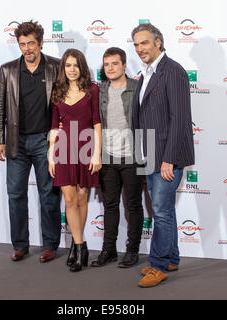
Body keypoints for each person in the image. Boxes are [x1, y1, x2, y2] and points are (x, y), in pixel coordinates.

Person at [131, 23, 195, 287]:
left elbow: (180, 119)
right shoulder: (146, 73)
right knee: (165, 210)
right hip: (149, 153)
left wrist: (169, 158)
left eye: (144, 43)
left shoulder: (174, 71)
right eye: (136, 45)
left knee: (161, 211)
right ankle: (171, 258)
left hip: (168, 157)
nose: (140, 49)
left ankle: (158, 266)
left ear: (158, 41)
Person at [0, 20, 61, 263]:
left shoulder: (56, 66)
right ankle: (20, 245)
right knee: (15, 195)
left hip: (45, 141)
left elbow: (64, 102)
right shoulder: (8, 70)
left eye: (31, 43)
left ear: (41, 43)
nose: (27, 49)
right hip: (16, 143)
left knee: (49, 195)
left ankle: (50, 244)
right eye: (22, 44)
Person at [49, 48, 102, 272]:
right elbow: (53, 126)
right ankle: (80, 247)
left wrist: (97, 153)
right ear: (63, 68)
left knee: (81, 198)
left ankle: (76, 245)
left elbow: (97, 122)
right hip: (63, 147)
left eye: (75, 65)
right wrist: (50, 156)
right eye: (68, 65)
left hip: (86, 146)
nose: (72, 70)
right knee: (70, 200)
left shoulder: (92, 89)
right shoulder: (58, 91)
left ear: (82, 66)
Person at [90, 47, 144, 268]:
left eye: (114, 63)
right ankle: (109, 250)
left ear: (123, 65)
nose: (110, 68)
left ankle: (132, 251)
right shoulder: (100, 90)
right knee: (110, 206)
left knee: (133, 206)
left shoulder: (137, 87)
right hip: (108, 158)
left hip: (132, 156)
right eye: (106, 64)